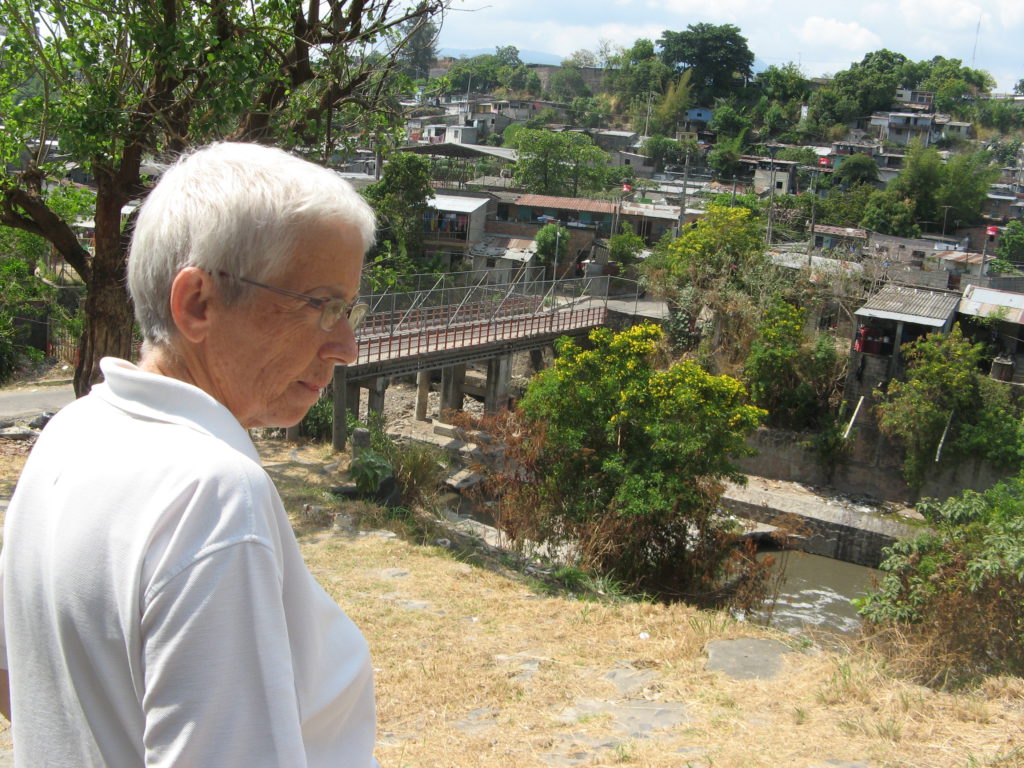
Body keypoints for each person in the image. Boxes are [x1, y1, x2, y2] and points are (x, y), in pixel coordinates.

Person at [0, 142, 379, 767]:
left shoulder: (71, 433)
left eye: (350, 308)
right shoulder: (214, 493)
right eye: (322, 306)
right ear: (198, 303)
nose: (346, 345)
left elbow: (22, 677)